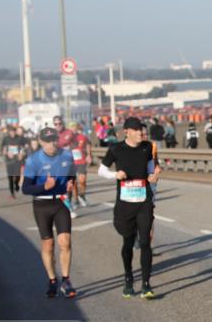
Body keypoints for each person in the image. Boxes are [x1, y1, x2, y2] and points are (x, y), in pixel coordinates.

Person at [97, 117, 162, 299]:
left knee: (145, 242)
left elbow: (151, 170)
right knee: (128, 242)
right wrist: (115, 175)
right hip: (125, 203)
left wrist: (153, 176)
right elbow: (101, 170)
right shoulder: (116, 149)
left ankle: (146, 285)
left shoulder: (147, 147)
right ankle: (128, 278)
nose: (140, 133)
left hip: (144, 201)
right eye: (136, 130)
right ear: (126, 132)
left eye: (141, 129)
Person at [22, 127, 77, 298]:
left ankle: (66, 280)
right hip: (41, 205)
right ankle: (52, 280)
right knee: (48, 245)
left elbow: (72, 173)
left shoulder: (66, 155)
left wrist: (70, 182)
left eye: (54, 139)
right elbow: (25, 188)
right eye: (47, 141)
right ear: (41, 142)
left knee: (65, 242)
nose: (52, 144)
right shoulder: (33, 160)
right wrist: (44, 186)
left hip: (60, 202)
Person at [69, 122, 91, 208]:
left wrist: (89, 155)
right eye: (71, 128)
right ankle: (76, 200)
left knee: (82, 180)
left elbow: (88, 145)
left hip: (82, 161)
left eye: (74, 127)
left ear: (77, 128)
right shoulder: (67, 139)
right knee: (74, 182)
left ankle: (82, 195)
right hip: (72, 162)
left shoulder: (83, 137)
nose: (73, 129)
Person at [1, 125, 26, 200]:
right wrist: (7, 153)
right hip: (9, 161)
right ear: (9, 132)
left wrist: (21, 154)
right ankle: (12, 194)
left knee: (17, 176)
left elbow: (24, 147)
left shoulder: (20, 138)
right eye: (11, 132)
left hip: (17, 160)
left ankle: (17, 184)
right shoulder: (6, 138)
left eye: (13, 131)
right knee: (10, 177)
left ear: (15, 131)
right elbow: (2, 148)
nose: (12, 133)